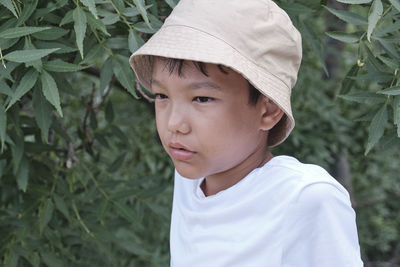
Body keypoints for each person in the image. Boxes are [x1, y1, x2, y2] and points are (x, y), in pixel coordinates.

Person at [129, 0, 364, 266]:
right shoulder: (192, 176)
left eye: (202, 99)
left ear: (268, 111)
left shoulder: (305, 199)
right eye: (162, 95)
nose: (174, 123)